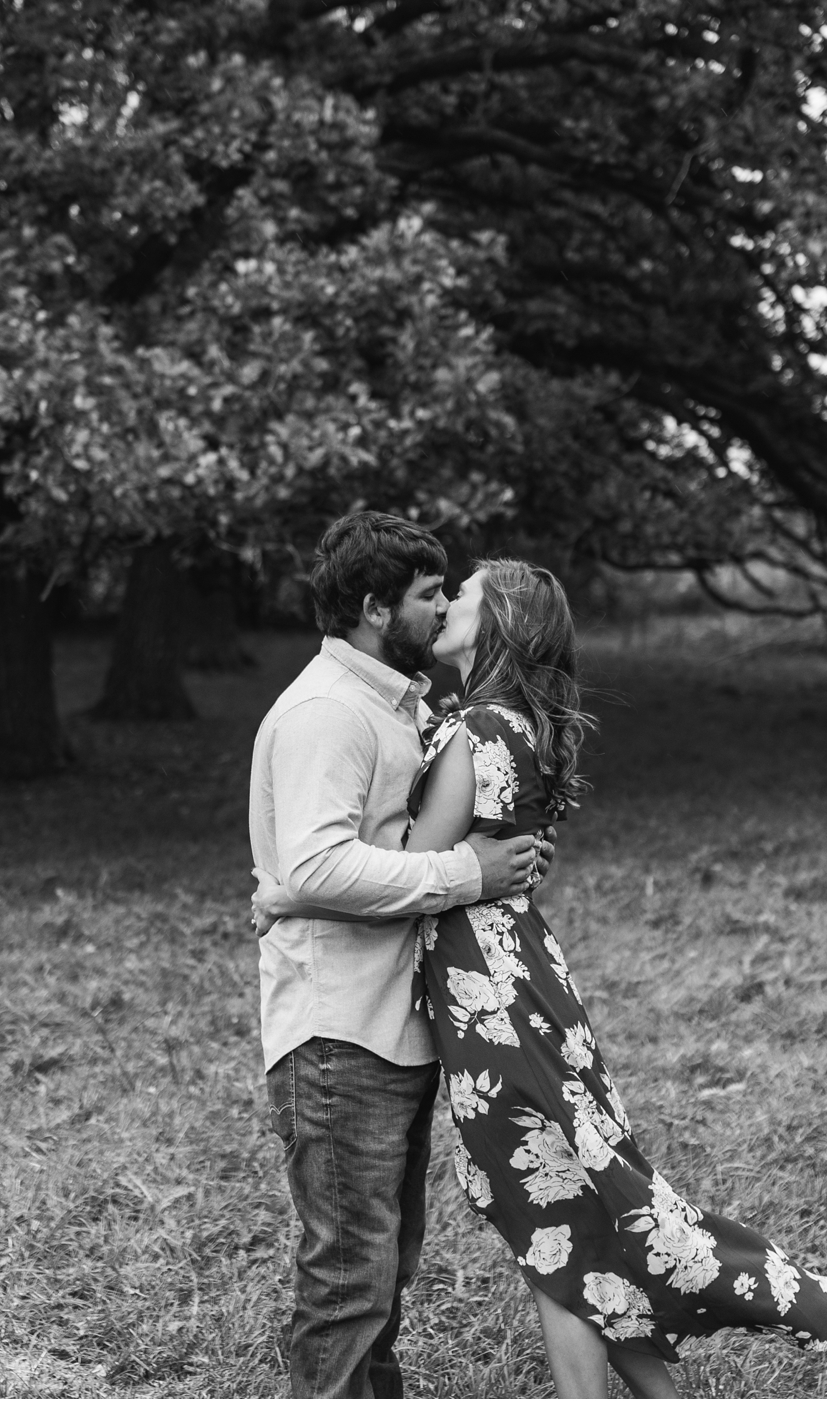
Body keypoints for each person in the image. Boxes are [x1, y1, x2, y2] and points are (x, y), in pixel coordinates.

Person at [257, 559, 827, 1399]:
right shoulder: (515, 720)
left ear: (497, 622)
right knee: (574, 1199)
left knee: (553, 1218)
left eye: (462, 593)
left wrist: (288, 885)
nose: (448, 600)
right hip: (526, 974)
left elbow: (419, 866)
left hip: (487, 995)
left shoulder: (474, 730)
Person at [248, 512, 550, 1398]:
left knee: (384, 1270)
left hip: (392, 1022)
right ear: (378, 609)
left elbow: (320, 863)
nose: (443, 605)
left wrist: (511, 848)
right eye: (428, 595)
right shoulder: (325, 713)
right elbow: (315, 862)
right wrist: (469, 870)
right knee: (349, 1276)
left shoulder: (391, 704)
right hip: (338, 1033)